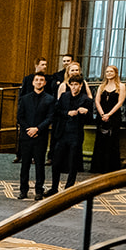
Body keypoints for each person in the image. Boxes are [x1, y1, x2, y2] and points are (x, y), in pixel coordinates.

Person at [51, 62, 93, 192]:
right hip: (62, 133)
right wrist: (67, 113)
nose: (74, 87)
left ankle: (69, 188)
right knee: (56, 162)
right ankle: (54, 187)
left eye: (77, 85)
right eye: (72, 85)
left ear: (81, 86)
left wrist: (86, 112)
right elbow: (56, 111)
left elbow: (91, 119)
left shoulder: (86, 100)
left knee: (73, 162)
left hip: (76, 134)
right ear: (69, 85)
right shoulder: (64, 96)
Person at [15, 71, 56, 199]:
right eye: (36, 80)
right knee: (25, 165)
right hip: (26, 136)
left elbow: (50, 118)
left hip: (40, 136)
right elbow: (19, 117)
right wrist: (29, 129)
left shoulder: (50, 99)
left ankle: (39, 190)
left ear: (44, 82)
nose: (39, 82)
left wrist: (37, 129)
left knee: (40, 165)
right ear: (33, 82)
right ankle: (23, 190)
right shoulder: (24, 99)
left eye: (41, 80)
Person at [92, 64, 126, 174]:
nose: (109, 73)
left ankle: (110, 167)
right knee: (100, 141)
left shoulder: (121, 86)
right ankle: (98, 167)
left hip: (114, 116)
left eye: (111, 71)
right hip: (101, 116)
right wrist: (102, 114)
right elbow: (97, 101)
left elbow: (120, 102)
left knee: (112, 141)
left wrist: (109, 115)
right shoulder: (101, 87)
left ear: (116, 73)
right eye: (107, 72)